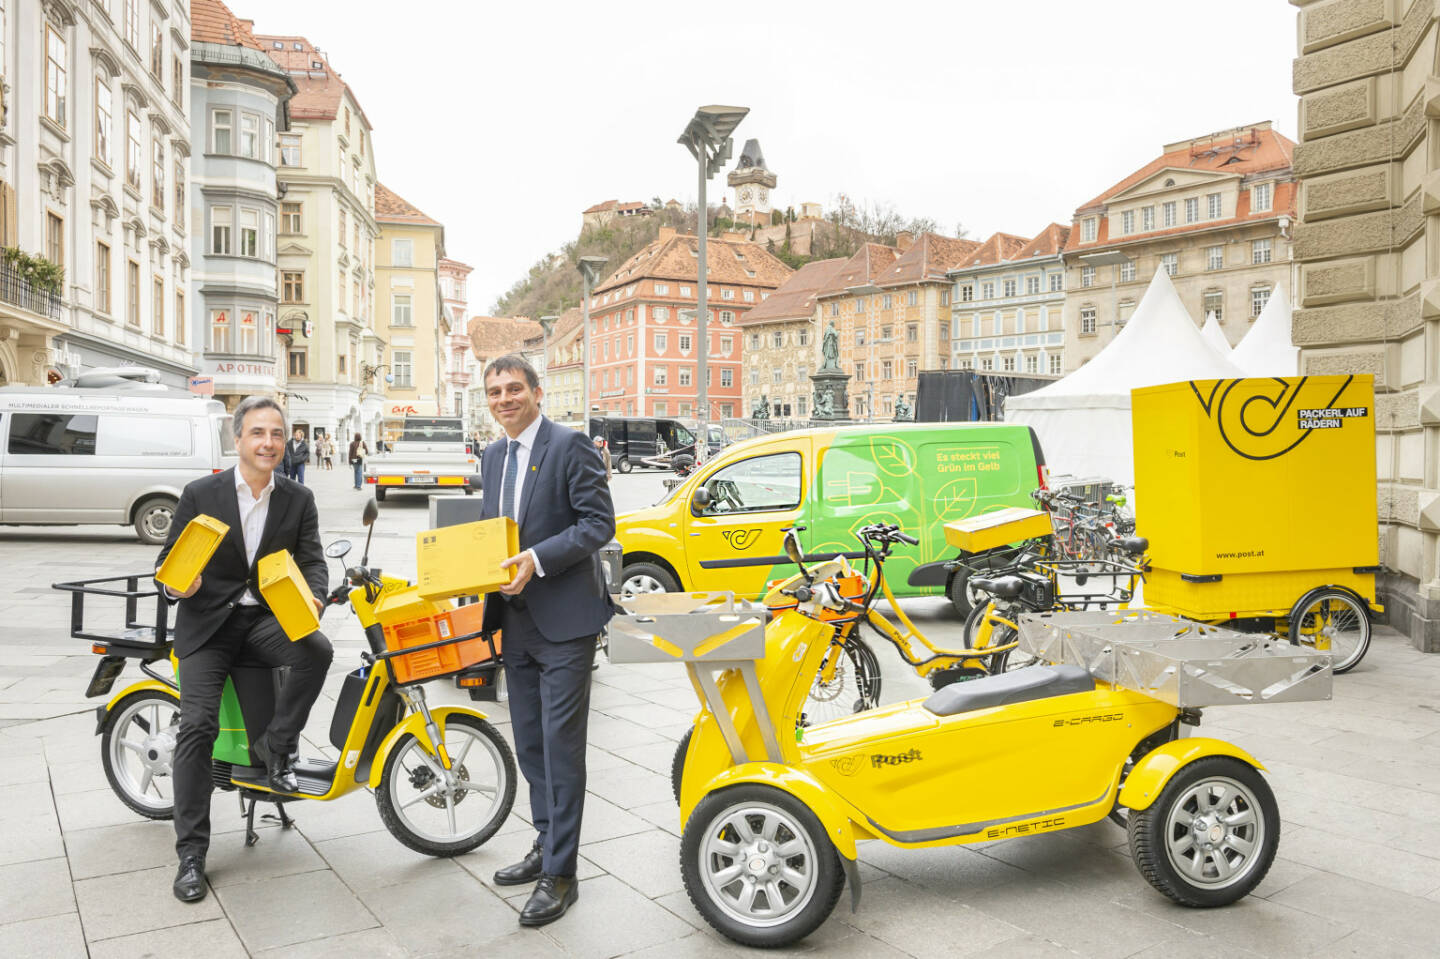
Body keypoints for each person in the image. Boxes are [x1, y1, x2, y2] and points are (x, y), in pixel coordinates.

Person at [153, 395, 333, 904]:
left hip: (263, 621)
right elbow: (169, 563)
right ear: (238, 439)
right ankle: (191, 853)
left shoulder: (298, 498)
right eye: (258, 433)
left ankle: (275, 747)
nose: (268, 443)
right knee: (199, 726)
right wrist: (177, 587)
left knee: (317, 651)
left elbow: (312, 560)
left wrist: (315, 595)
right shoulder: (201, 492)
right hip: (207, 625)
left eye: (276, 434)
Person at [481, 354, 615, 928]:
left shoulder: (569, 445)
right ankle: (544, 845)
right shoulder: (491, 456)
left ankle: (561, 874)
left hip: (565, 620)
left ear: (537, 392)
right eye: (494, 391)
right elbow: (492, 531)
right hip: (514, 620)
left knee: (561, 749)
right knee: (532, 745)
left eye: (514, 388)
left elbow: (597, 524)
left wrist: (536, 559)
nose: (504, 398)